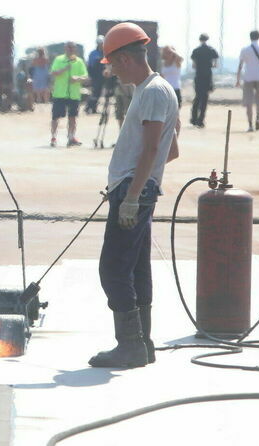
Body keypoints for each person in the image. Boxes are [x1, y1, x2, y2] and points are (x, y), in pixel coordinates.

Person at [89, 23, 179, 368]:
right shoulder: (157, 89)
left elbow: (154, 147)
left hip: (135, 192)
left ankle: (130, 346)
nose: (109, 71)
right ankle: (143, 344)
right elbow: (169, 151)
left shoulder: (153, 92)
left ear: (124, 58)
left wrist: (132, 192)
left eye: (111, 63)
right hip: (134, 187)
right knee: (136, 269)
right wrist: (128, 181)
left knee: (112, 270)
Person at [49, 41, 88, 147]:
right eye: (68, 47)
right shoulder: (59, 60)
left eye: (72, 48)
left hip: (74, 94)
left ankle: (71, 137)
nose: (70, 49)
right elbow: (53, 72)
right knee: (55, 117)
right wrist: (64, 69)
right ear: (65, 48)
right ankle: (53, 137)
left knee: (72, 117)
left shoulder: (79, 61)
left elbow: (85, 76)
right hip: (60, 93)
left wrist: (77, 78)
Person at [236, 30, 259, 132]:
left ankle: (250, 124)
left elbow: (240, 66)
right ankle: (258, 118)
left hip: (248, 77)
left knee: (248, 101)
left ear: (250, 37)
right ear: (258, 37)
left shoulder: (245, 50)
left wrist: (238, 79)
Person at [190, 33, 219, 128]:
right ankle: (200, 120)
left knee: (197, 97)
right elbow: (215, 64)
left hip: (199, 76)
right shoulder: (211, 50)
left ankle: (193, 119)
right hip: (207, 76)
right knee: (205, 99)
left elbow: (193, 65)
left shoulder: (196, 51)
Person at [85, 35, 106, 114]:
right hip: (95, 77)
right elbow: (90, 66)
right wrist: (90, 76)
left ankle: (94, 108)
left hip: (103, 76)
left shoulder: (105, 53)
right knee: (95, 92)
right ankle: (88, 107)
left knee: (99, 93)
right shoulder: (93, 53)